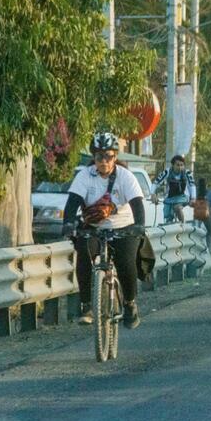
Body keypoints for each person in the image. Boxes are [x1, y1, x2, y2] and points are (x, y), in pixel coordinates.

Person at [62, 132, 145, 329]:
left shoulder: (125, 177)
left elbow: (137, 204)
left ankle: (130, 303)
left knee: (125, 262)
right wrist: (67, 223)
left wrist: (139, 226)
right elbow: (73, 201)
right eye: (99, 156)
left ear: (115, 157)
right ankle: (87, 306)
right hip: (94, 227)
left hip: (123, 226)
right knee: (83, 254)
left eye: (108, 156)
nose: (104, 161)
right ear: (94, 158)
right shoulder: (85, 175)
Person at [151, 154, 196, 223]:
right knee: (168, 215)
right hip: (170, 197)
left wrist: (193, 198)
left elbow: (192, 185)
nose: (180, 167)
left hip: (183, 197)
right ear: (172, 165)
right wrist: (152, 194)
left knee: (177, 207)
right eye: (177, 165)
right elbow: (156, 183)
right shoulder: (167, 172)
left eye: (182, 165)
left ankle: (183, 223)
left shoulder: (187, 173)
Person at [195, 177, 211, 250]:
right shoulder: (210, 192)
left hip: (197, 214)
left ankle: (196, 247)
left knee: (197, 230)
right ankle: (209, 248)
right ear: (206, 185)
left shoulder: (195, 192)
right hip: (207, 214)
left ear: (198, 185)